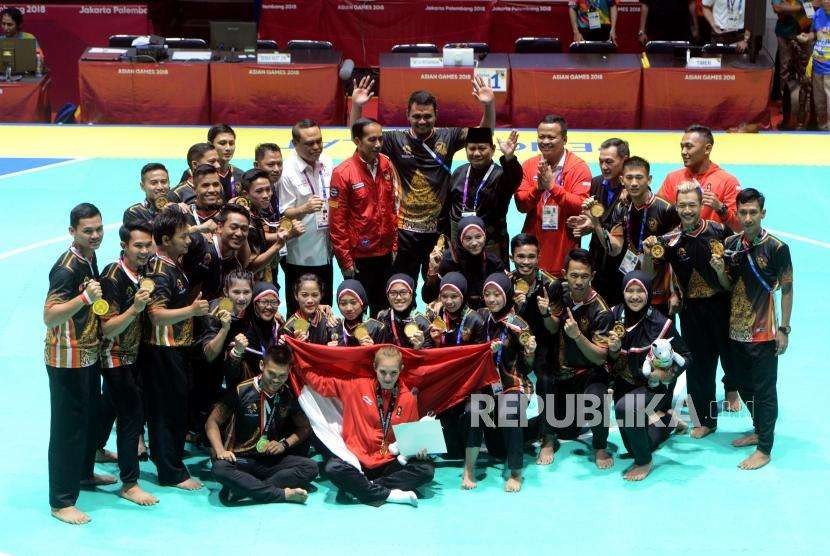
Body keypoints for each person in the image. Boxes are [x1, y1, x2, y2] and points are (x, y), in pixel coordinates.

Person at [348, 76, 496, 286]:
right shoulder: (394, 140)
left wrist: (488, 105)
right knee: (401, 286)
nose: (422, 121)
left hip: (438, 231)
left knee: (438, 287)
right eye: (416, 116)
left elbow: (483, 134)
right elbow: (360, 136)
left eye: (427, 116)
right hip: (404, 232)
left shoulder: (449, 136)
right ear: (407, 115)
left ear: (436, 115)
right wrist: (357, 106)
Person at [642, 182, 733, 438]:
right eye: (682, 205)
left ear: (701, 204)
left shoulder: (719, 231)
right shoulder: (669, 240)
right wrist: (648, 253)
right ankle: (704, 420)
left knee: (734, 363)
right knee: (697, 367)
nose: (687, 210)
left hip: (722, 307)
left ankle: (749, 409)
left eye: (692, 205)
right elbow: (649, 275)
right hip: (691, 310)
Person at [43, 203, 116, 524]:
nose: (96, 235)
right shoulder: (67, 268)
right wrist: (85, 299)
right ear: (73, 232)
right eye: (88, 230)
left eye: (99, 228)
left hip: (88, 353)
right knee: (67, 430)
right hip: (66, 359)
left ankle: (84, 474)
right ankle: (61, 501)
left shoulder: (89, 256)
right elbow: (49, 315)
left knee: (89, 419)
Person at [723, 188, 793, 470]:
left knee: (765, 390)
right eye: (743, 212)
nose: (748, 217)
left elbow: (787, 288)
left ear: (762, 213)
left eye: (753, 212)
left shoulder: (776, 248)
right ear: (736, 213)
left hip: (765, 331)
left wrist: (784, 329)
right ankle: (757, 429)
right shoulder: (730, 243)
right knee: (740, 382)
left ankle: (765, 448)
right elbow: (728, 285)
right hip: (736, 330)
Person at [141, 208, 208, 490]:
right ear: (166, 239)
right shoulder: (160, 271)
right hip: (162, 351)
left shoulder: (171, 262)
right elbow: (156, 315)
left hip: (176, 349)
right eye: (183, 236)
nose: (189, 241)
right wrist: (191, 310)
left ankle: (171, 461)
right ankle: (169, 471)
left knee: (176, 408)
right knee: (166, 411)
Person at [205, 344, 317, 505]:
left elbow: (305, 427)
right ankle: (281, 494)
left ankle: (244, 488)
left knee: (310, 467)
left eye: (282, 375)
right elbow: (212, 422)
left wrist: (284, 444)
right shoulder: (242, 390)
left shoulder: (287, 395)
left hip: (269, 461)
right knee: (219, 468)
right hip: (239, 460)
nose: (276, 380)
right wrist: (220, 450)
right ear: (262, 365)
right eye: (271, 374)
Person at [606, 271, 691, 481]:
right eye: (630, 291)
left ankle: (644, 462)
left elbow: (687, 356)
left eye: (640, 291)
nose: (635, 296)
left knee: (626, 408)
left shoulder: (661, 323)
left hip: (653, 387)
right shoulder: (612, 315)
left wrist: (666, 373)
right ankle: (669, 421)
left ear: (649, 293)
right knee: (634, 443)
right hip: (623, 384)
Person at [98, 223, 158, 506]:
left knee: (107, 410)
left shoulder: (143, 272)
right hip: (114, 356)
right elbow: (108, 328)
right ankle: (130, 483)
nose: (145, 251)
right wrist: (135, 308)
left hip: (134, 356)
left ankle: (92, 455)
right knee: (131, 415)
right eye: (138, 246)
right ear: (124, 246)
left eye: (148, 245)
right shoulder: (113, 276)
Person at [465, 273, 535, 492]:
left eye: (497, 294)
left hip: (513, 382)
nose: (492, 299)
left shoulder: (518, 325)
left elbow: (527, 367)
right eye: (487, 294)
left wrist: (531, 354)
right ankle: (468, 469)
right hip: (486, 383)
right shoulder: (480, 316)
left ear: (507, 295)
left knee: (510, 413)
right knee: (474, 412)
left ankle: (516, 472)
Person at [548, 249, 615, 469]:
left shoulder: (601, 311)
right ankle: (546, 438)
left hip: (588, 374)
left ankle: (600, 446)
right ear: (565, 273)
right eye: (574, 275)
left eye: (584, 276)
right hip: (562, 374)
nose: (578, 281)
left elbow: (600, 357)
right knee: (566, 430)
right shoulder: (559, 294)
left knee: (596, 397)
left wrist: (577, 336)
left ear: (592, 276)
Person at [588, 156, 679, 316]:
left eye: (639, 177)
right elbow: (614, 249)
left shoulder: (665, 209)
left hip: (659, 291)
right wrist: (596, 222)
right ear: (622, 180)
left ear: (649, 179)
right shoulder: (622, 207)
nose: (634, 183)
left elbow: (677, 253)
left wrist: (675, 291)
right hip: (631, 287)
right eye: (629, 178)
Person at [329, 117, 399, 317]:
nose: (378, 144)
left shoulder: (386, 164)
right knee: (356, 311)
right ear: (357, 141)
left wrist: (394, 244)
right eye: (372, 140)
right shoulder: (342, 173)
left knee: (384, 310)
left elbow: (391, 208)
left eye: (380, 139)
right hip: (358, 257)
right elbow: (337, 221)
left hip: (385, 253)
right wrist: (345, 260)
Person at [507, 234, 564, 465]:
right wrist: (514, 309)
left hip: (544, 345)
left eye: (531, 256)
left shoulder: (552, 285)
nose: (526, 262)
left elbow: (553, 328)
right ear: (512, 257)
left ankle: (548, 440)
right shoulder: (506, 284)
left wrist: (545, 312)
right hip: (514, 345)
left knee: (547, 381)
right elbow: (499, 321)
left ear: (539, 257)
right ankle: (511, 431)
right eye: (521, 256)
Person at [514, 115, 592, 277]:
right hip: (532, 251)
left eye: (551, 137)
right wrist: (538, 188)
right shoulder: (529, 165)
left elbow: (581, 205)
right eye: (541, 137)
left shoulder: (578, 167)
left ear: (564, 139)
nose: (545, 141)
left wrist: (552, 187)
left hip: (564, 247)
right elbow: (521, 205)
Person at [280, 119, 334, 314]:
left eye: (319, 141)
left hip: (326, 251)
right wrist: (304, 208)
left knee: (325, 307)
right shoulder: (287, 172)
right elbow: (283, 212)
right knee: (299, 311)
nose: (316, 147)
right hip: (300, 254)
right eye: (309, 143)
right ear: (295, 144)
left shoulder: (327, 162)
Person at [568, 137, 630, 307]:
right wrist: (585, 223)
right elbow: (594, 221)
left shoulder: (633, 190)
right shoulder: (596, 183)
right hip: (597, 263)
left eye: (609, 162)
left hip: (622, 266)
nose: (604, 166)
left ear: (625, 160)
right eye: (601, 161)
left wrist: (594, 224)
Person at [447, 128, 522, 265]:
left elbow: (514, 179)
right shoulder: (459, 172)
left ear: (492, 149)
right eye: (472, 148)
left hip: (491, 243)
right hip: (459, 242)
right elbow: (448, 206)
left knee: (493, 284)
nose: (476, 153)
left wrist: (509, 158)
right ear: (465, 149)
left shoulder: (501, 175)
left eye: (482, 148)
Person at [657, 124, 742, 233]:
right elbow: (657, 216)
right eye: (682, 147)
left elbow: (739, 227)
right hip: (678, 246)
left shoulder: (728, 182)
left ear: (707, 149)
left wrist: (721, 208)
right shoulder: (672, 178)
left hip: (714, 247)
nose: (683, 152)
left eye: (689, 146)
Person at [422, 215, 505, 309]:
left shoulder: (493, 262)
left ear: (485, 237)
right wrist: (433, 272)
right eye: (468, 238)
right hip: (453, 310)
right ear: (460, 239)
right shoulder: (448, 259)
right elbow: (427, 298)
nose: (474, 243)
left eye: (478, 237)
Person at [235, 168, 301, 283]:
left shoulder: (256, 212)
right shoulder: (243, 220)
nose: (266, 195)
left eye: (268, 189)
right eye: (259, 191)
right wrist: (279, 244)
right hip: (245, 284)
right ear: (246, 194)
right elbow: (251, 267)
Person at [182, 203, 250, 301]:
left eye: (244, 229)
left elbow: (222, 301)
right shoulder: (199, 244)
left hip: (205, 314)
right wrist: (196, 229)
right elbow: (168, 240)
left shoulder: (235, 266)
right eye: (234, 227)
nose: (239, 233)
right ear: (219, 227)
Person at [226, 281, 286, 389]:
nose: (269, 307)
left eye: (274, 302)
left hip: (275, 390)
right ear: (254, 303)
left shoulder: (280, 327)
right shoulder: (240, 330)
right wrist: (237, 352)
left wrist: (318, 309)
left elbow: (301, 320)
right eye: (263, 302)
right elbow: (230, 373)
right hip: (247, 396)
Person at [772, 0, 816, 130]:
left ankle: (806, 108)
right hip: (785, 32)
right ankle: (787, 107)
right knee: (785, 71)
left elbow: (816, 5)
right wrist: (801, 7)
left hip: (805, 31)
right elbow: (777, 8)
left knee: (806, 71)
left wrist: (790, 8)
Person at [377, 274, 433, 349]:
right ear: (387, 296)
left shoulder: (422, 322)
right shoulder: (382, 317)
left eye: (403, 293)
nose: (398, 297)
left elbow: (430, 356)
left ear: (411, 294)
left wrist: (419, 348)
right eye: (393, 293)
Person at [799, 0, 830, 131]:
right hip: (818, 67)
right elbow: (814, 33)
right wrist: (807, 36)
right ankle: (823, 131)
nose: (827, 1)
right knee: (820, 104)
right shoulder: (818, 14)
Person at [281, 273, 339, 345]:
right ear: (296, 296)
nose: (310, 300)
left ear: (321, 295)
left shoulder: (329, 321)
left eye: (315, 295)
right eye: (304, 295)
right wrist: (295, 345)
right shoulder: (288, 328)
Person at [333, 280, 387, 346]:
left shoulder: (377, 328)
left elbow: (385, 355)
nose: (349, 308)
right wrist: (328, 350)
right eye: (343, 303)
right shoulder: (334, 327)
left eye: (353, 302)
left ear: (362, 302)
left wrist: (372, 350)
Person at [123, 163, 171, 228]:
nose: (160, 187)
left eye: (164, 182)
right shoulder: (134, 213)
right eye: (154, 183)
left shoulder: (179, 208)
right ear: (142, 186)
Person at [183, 164, 225, 237]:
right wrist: (197, 229)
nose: (212, 190)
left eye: (215, 185)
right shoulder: (183, 215)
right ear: (194, 190)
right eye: (205, 185)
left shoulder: (228, 215)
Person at [208, 124, 244, 199]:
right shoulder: (195, 174)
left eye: (231, 143)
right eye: (222, 143)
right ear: (210, 145)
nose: (228, 148)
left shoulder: (241, 176)